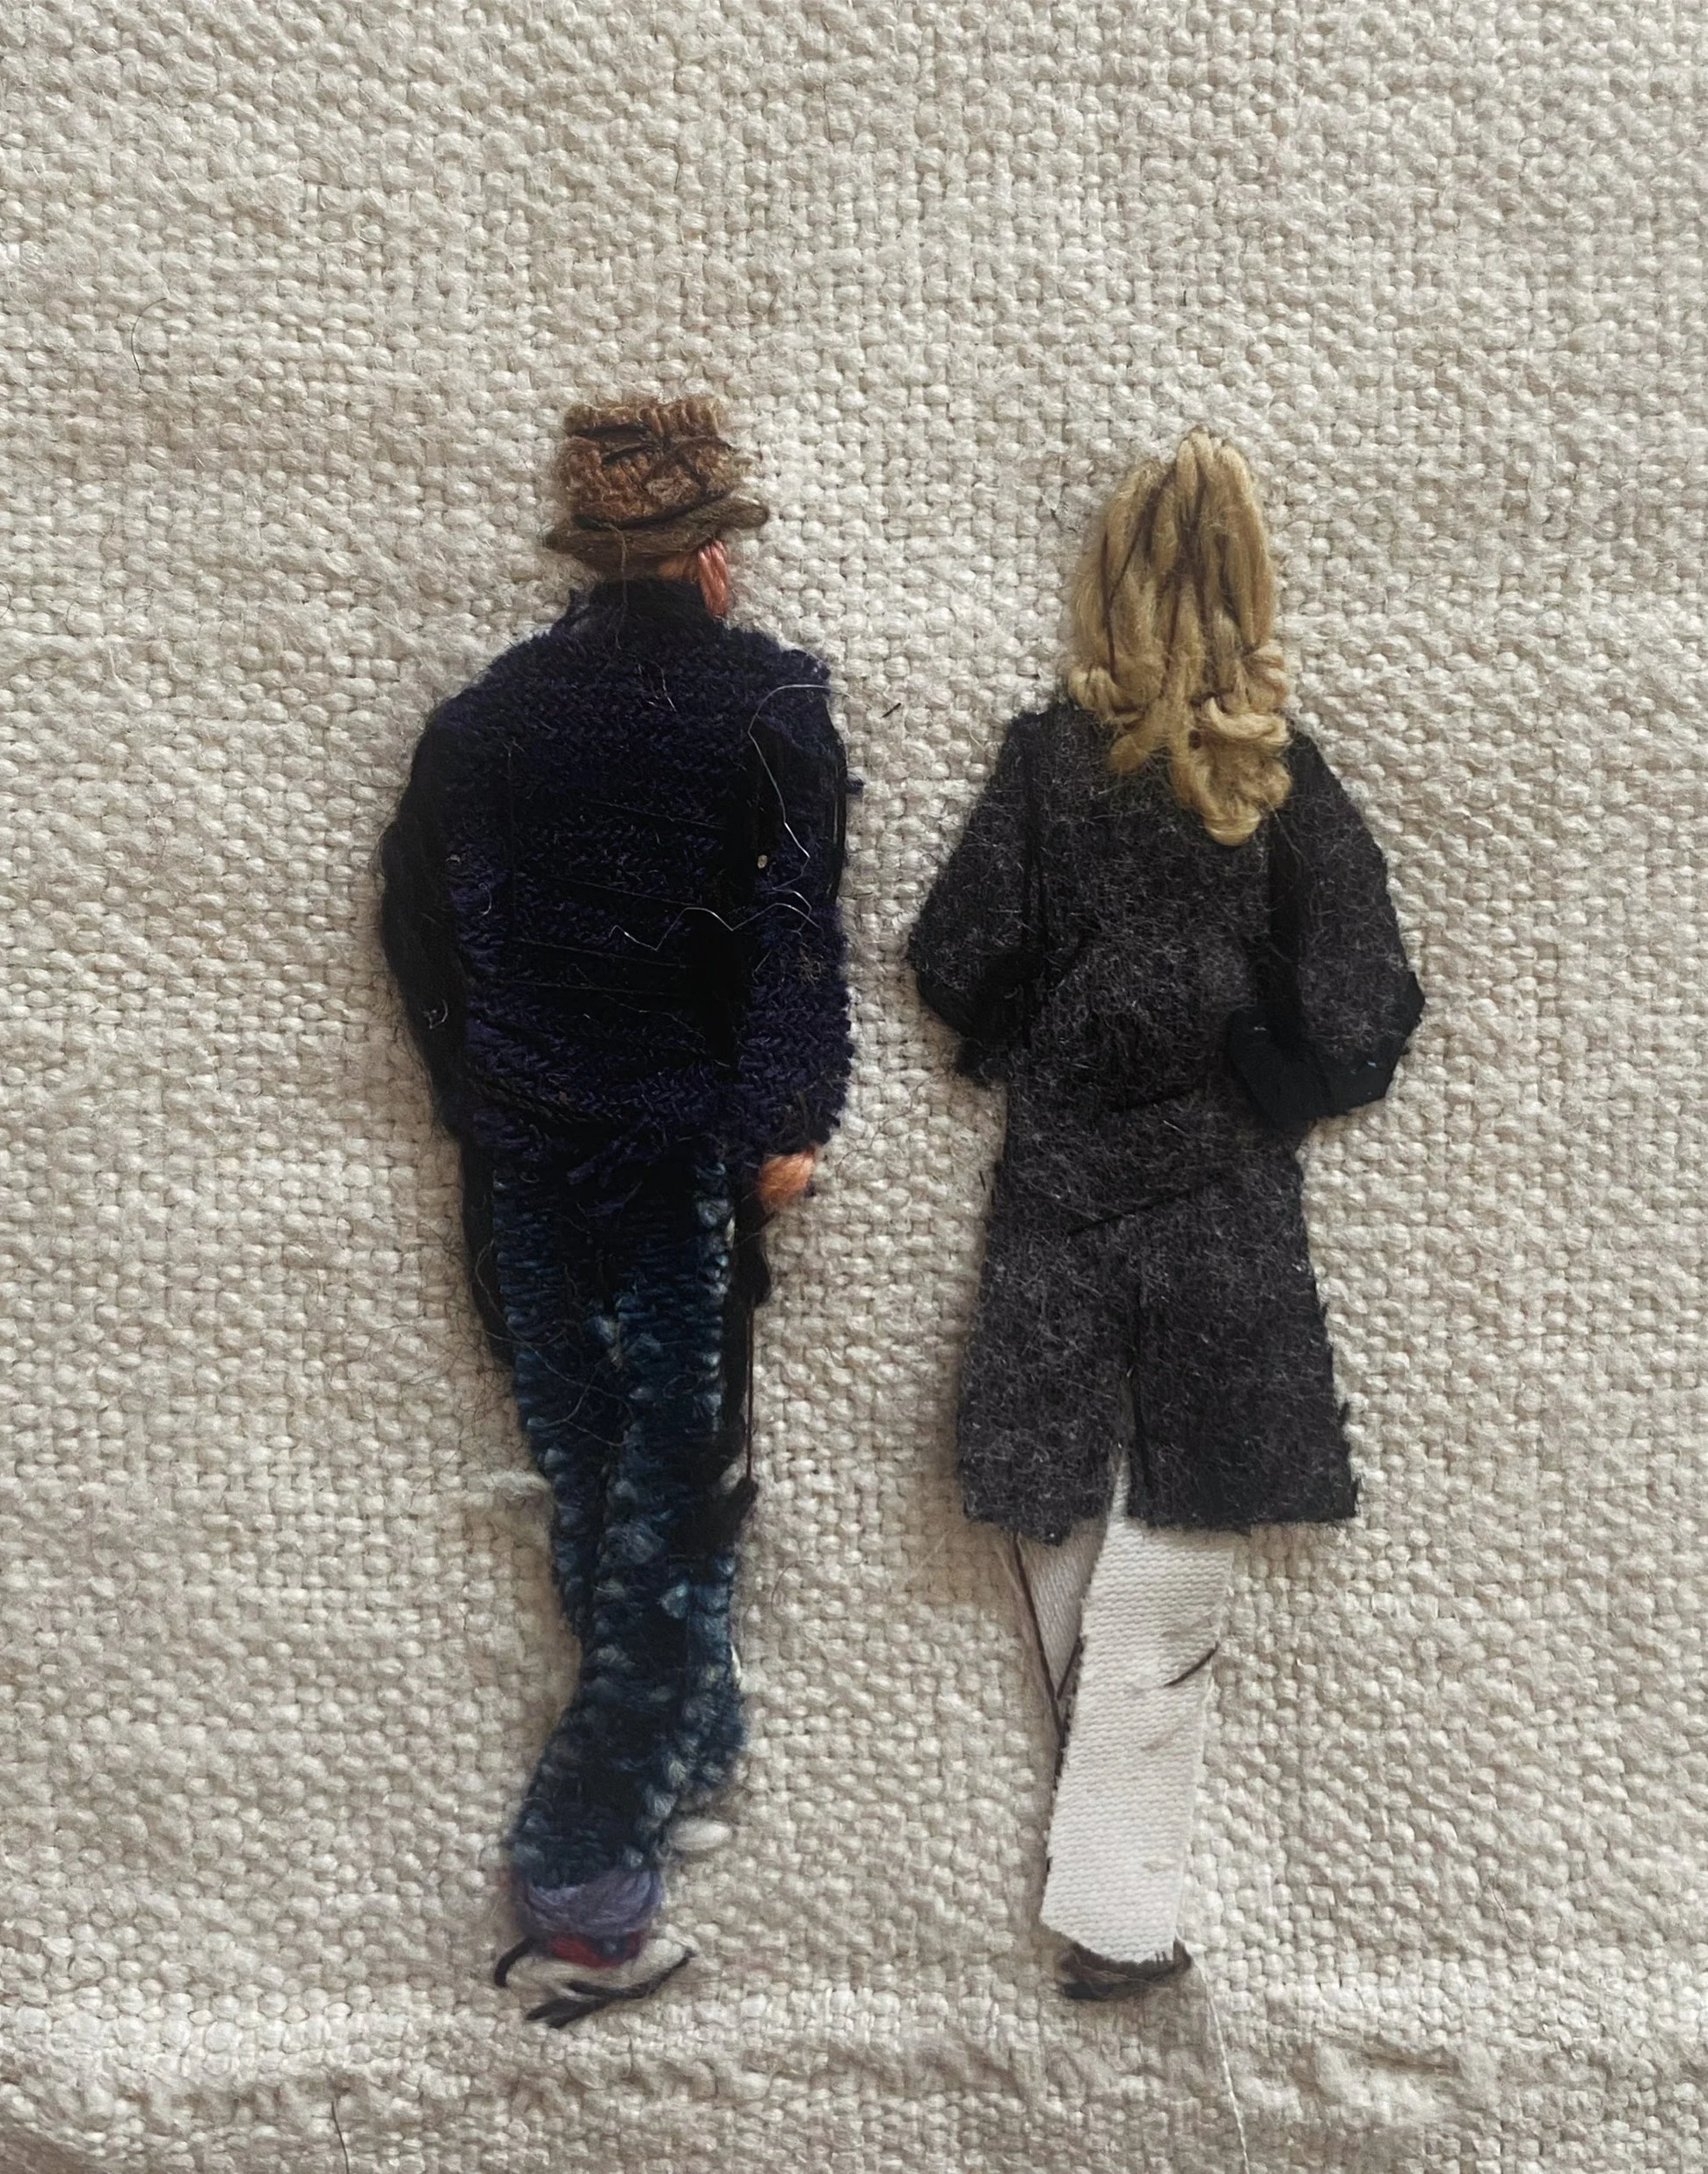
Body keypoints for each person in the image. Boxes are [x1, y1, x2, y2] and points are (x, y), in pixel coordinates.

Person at [909, 430, 1422, 1998]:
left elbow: (952, 958)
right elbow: (1370, 1002)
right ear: (1253, 592)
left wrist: (1019, 1036)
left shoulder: (1045, 767)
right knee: (1191, 1503)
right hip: (1223, 1190)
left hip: (1062, 1173)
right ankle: (1118, 1906)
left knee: (1053, 1486)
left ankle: (1116, 1904)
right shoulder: (1280, 778)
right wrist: (1270, 1072)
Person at [380, 397, 851, 2022]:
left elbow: (418, 941)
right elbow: (795, 936)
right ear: (716, 558)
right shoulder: (771, 705)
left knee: (595, 1478)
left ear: (588, 563)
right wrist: (785, 1118)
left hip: (522, 1156)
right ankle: (582, 1878)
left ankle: (688, 1756)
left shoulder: (484, 720)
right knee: (679, 1497)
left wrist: (480, 1095)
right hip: (672, 1167)